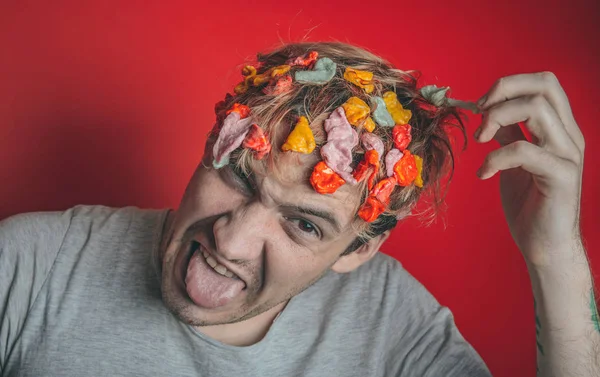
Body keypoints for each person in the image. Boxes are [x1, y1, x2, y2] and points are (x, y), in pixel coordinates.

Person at [0, 42, 594, 377]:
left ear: (359, 249)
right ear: (213, 143)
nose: (230, 242)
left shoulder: (392, 327)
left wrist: (556, 259)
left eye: (304, 222)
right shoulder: (34, 267)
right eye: (237, 174)